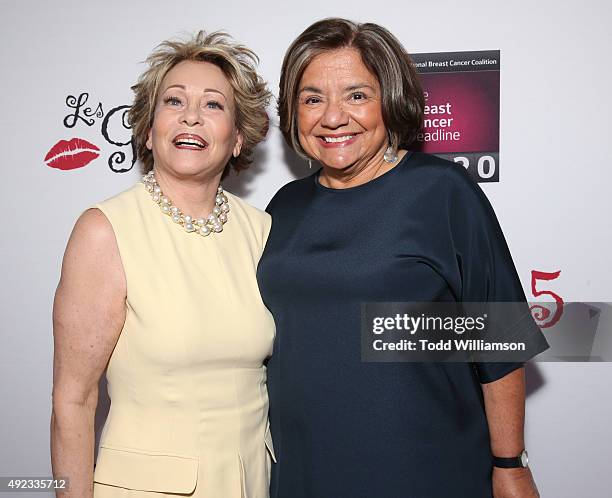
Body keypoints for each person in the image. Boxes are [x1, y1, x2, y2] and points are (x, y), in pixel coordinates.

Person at [257, 18, 548, 498]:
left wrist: (509, 465)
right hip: (305, 467)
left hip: (423, 466)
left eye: (356, 95)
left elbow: (500, 342)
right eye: (312, 98)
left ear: (390, 100)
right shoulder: (283, 207)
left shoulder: (442, 191)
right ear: (292, 111)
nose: (332, 117)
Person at [51, 31, 276, 498]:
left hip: (251, 484)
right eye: (174, 101)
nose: (191, 115)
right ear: (149, 131)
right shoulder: (105, 230)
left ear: (237, 138)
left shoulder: (261, 230)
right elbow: (73, 400)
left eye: (213, 105)